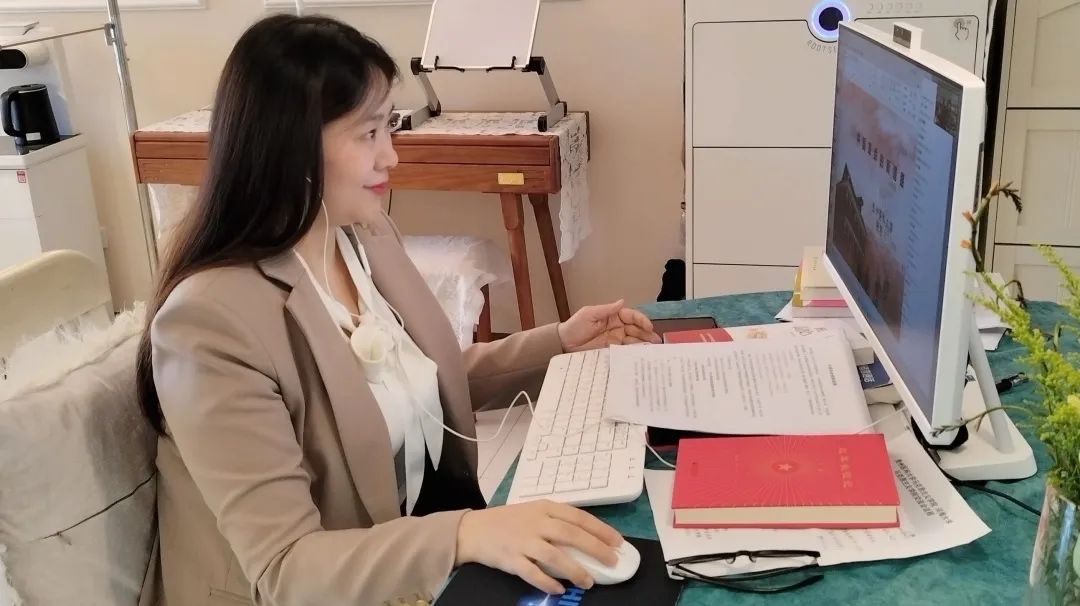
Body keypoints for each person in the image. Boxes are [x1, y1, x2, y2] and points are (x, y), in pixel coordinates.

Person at [135, 14, 661, 606]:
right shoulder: (209, 325)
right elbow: (286, 569)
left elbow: (420, 384)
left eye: (389, 126)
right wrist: (464, 535)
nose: (391, 157)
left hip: (413, 555)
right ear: (290, 146)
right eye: (368, 134)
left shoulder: (361, 235)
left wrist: (559, 344)